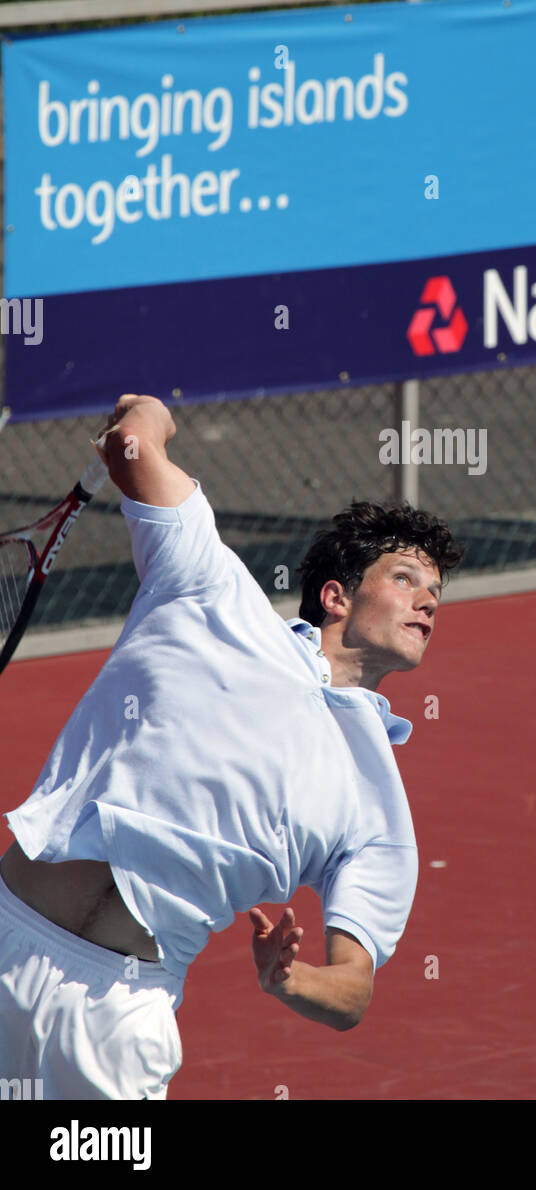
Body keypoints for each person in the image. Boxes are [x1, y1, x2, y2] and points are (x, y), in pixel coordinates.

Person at [0, 393, 464, 1099]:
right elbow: (133, 443)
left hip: (119, 1017)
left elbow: (353, 991)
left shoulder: (378, 810)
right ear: (336, 597)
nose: (428, 600)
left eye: (435, 591)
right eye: (406, 579)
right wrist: (150, 410)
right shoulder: (210, 587)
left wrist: (291, 978)